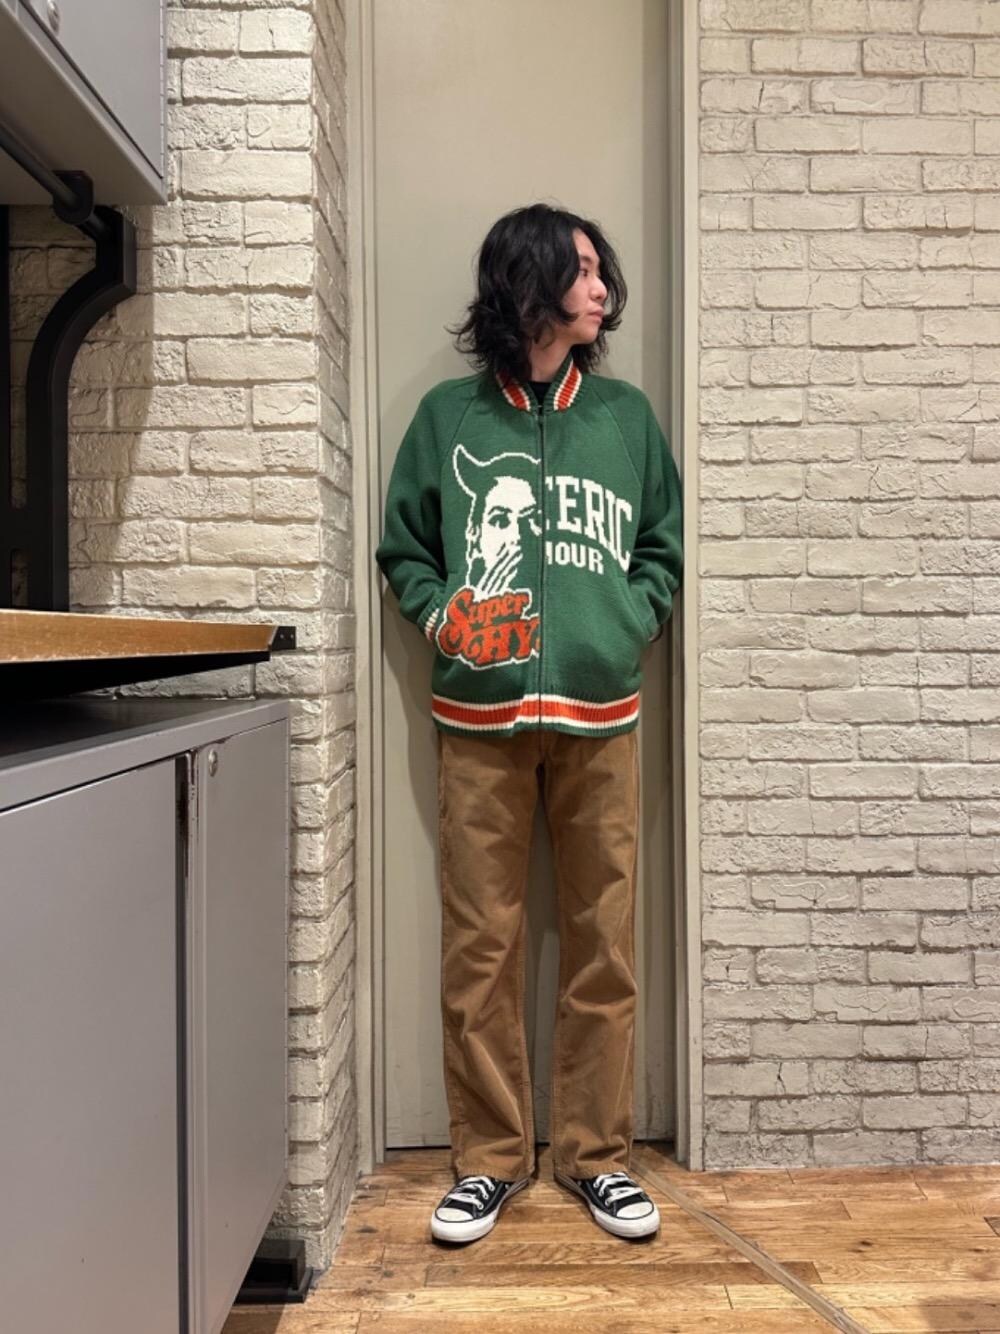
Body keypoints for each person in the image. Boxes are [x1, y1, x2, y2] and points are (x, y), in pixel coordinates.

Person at [375, 202, 683, 1246]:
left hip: (602, 714)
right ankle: (490, 1160)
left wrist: (626, 623)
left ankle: (595, 1156)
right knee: (481, 944)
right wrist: (444, 620)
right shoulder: (446, 420)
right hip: (478, 716)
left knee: (605, 944)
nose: (602, 289)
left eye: (602, 272)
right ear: (529, 283)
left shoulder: (626, 418)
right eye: (583, 271)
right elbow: (405, 549)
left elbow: (662, 547)